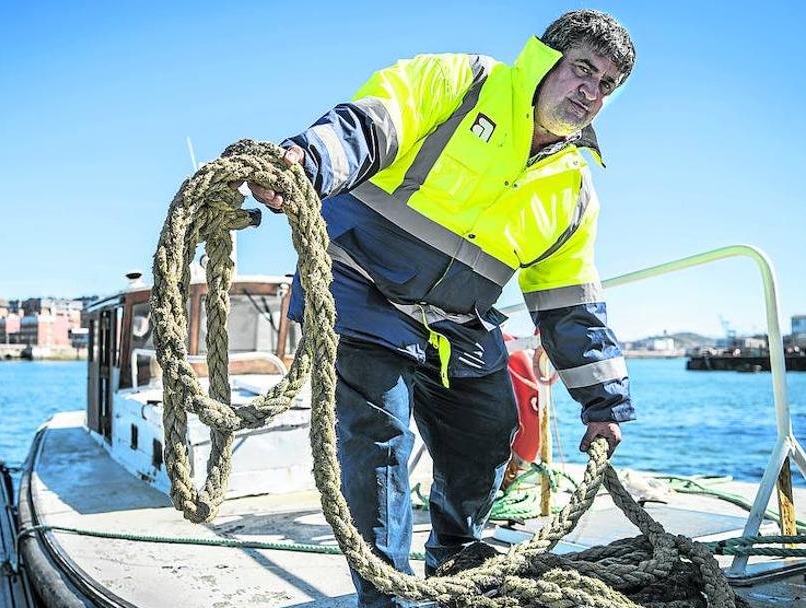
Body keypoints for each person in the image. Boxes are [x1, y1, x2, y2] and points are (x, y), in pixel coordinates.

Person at [244, 10, 636, 607]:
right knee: (379, 444)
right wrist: (307, 163)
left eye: (606, 85)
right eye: (583, 69)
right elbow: (368, 126)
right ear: (544, 60)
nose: (591, 90)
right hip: (360, 291)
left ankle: (455, 553)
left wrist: (603, 404)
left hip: (457, 326)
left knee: (488, 432)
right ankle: (387, 596)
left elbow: (569, 304)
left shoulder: (573, 190)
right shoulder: (459, 84)